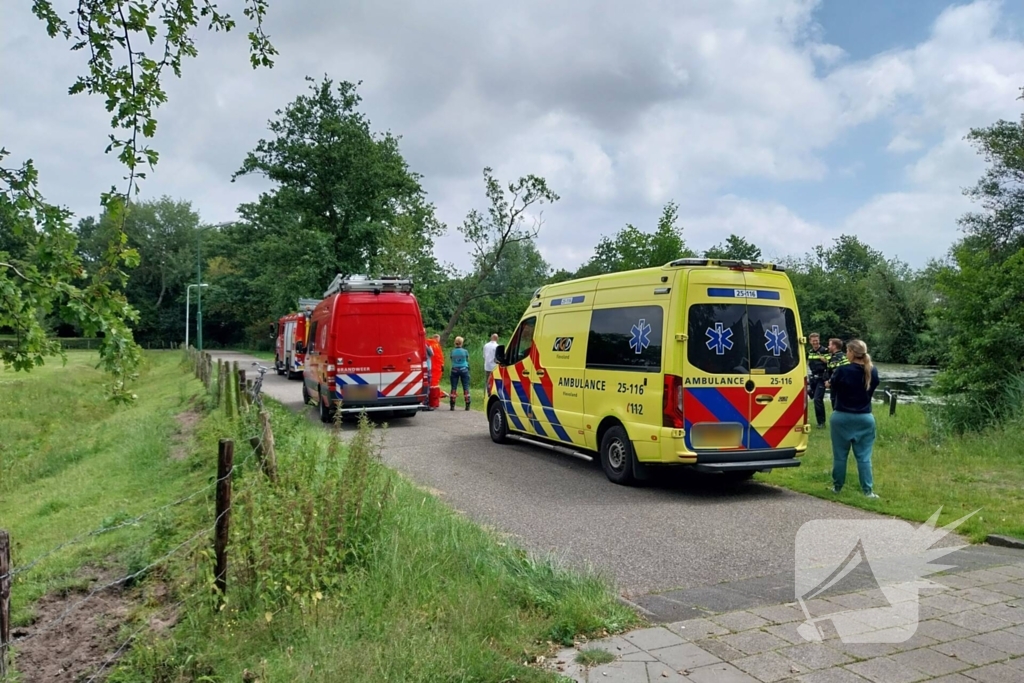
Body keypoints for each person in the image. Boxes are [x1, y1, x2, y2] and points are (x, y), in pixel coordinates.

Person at [829, 339, 880, 498]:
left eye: (847, 351)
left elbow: (834, 388)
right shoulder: (872, 371)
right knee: (864, 457)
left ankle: (837, 488)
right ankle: (868, 491)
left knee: (840, 455)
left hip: (841, 417)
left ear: (851, 352)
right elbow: (871, 390)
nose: (846, 354)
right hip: (864, 417)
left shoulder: (842, 370)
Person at [806, 333, 830, 428]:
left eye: (817, 340)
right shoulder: (810, 352)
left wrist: (824, 360)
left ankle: (821, 423)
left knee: (817, 399)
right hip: (813, 378)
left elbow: (831, 363)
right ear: (810, 341)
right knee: (810, 396)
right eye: (813, 340)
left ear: (819, 340)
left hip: (821, 378)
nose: (815, 342)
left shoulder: (824, 351)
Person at [824, 337, 849, 410]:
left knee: (836, 406)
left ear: (834, 346)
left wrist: (829, 382)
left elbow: (836, 372)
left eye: (829, 345)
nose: (828, 347)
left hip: (838, 386)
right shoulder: (844, 355)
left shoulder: (835, 358)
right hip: (846, 385)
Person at [450, 336, 471, 411]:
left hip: (454, 369)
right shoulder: (465, 351)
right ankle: (467, 403)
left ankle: (452, 404)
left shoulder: (452, 351)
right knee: (465, 386)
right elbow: (467, 360)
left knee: (453, 387)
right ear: (462, 343)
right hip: (464, 369)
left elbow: (451, 359)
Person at [427, 333, 444, 409]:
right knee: (435, 385)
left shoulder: (427, 343)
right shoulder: (436, 346)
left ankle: (428, 401)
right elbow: (439, 358)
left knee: (429, 384)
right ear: (437, 339)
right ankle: (434, 402)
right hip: (436, 368)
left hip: (428, 367)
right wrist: (442, 365)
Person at [423, 329, 434, 411]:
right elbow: (431, 354)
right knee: (427, 385)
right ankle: (426, 403)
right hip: (427, 366)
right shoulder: (426, 343)